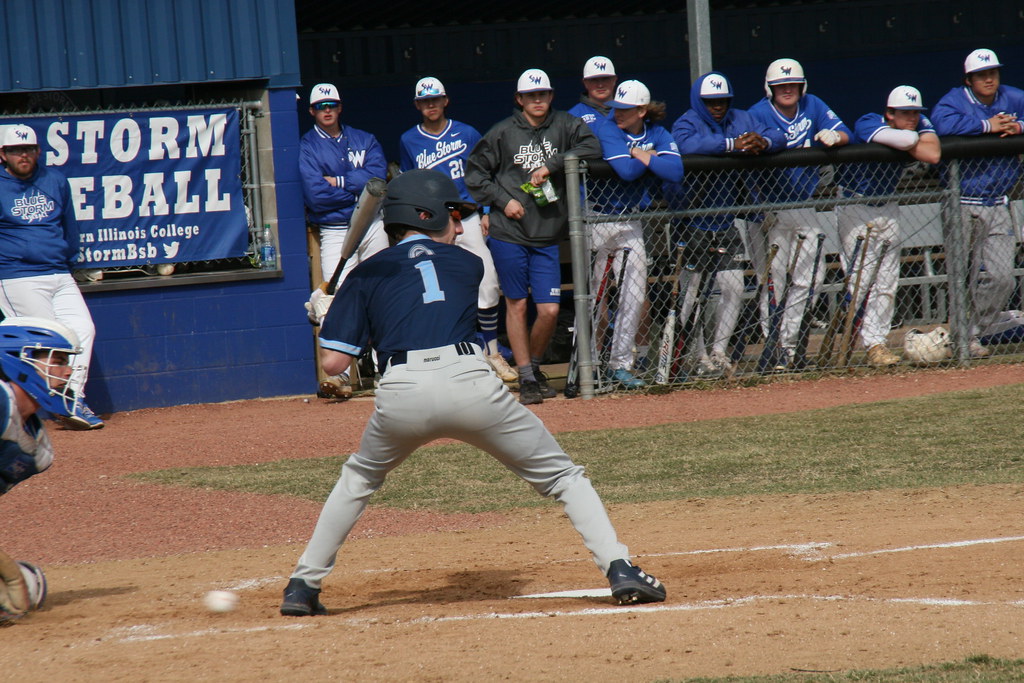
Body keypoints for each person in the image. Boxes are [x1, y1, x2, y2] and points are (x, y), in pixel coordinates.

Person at [280, 169, 666, 616]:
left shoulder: (366, 274)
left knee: (359, 480)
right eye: (452, 216)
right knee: (564, 478)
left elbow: (334, 364)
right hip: (471, 386)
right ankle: (619, 568)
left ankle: (302, 585)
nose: (460, 226)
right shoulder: (469, 263)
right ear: (424, 215)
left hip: (402, 393)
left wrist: (326, 314)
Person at [466, 68, 602, 404]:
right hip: (509, 232)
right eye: (531, 95)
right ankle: (526, 377)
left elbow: (592, 147)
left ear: (551, 96)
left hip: (547, 235)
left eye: (542, 94)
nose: (537, 100)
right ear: (520, 99)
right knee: (517, 303)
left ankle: (534, 366)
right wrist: (504, 200)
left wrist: (553, 164)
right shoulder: (502, 132)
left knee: (550, 310)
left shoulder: (566, 124)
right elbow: (475, 174)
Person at [398, 77, 516, 382]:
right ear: (417, 105)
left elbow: (483, 174)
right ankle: (447, 358)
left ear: (445, 100)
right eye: (425, 101)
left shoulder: (466, 133)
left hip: (467, 216)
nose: (431, 105)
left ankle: (492, 353)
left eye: (435, 99)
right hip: (432, 222)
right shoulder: (409, 139)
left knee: (488, 281)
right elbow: (409, 184)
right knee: (436, 289)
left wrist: (488, 210)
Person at [671, 71, 785, 375]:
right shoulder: (687, 120)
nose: (717, 107)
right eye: (710, 102)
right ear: (700, 101)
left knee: (734, 287)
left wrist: (762, 141)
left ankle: (719, 351)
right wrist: (733, 145)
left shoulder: (741, 117)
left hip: (724, 221)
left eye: (722, 101)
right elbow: (687, 145)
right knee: (692, 295)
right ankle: (696, 355)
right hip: (692, 221)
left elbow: (779, 135)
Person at [747, 58, 852, 369]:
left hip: (803, 205)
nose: (787, 89)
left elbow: (845, 131)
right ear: (770, 88)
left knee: (812, 276)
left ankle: (788, 344)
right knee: (774, 281)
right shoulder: (757, 113)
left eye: (792, 84)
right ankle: (775, 346)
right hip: (769, 209)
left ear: (802, 85)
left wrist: (835, 138)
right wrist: (758, 209)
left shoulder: (813, 104)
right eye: (781, 85)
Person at [0, 125, 102, 430]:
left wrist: (69, 259)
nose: (24, 155)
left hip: (59, 272)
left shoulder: (54, 179)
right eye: (16, 150)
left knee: (82, 331)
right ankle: (39, 406)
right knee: (44, 344)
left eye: (29, 148)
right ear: (2, 154)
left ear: (38, 151)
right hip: (17, 276)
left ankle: (71, 400)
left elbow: (69, 227)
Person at [837, 86, 941, 367]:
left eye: (916, 113)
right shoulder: (868, 121)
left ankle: (876, 344)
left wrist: (913, 136)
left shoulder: (916, 126)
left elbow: (932, 155)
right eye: (905, 113)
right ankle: (847, 341)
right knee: (860, 281)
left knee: (886, 283)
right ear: (889, 113)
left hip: (888, 206)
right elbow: (908, 139)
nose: (912, 119)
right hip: (855, 205)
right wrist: (912, 138)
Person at [0, 317, 95, 621]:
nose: (67, 371)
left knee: (30, 585)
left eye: (67, 362)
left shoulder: (35, 450)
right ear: (17, 359)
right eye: (57, 360)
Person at [930, 48, 1024, 358]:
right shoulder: (954, 100)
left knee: (1002, 278)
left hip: (999, 202)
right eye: (981, 75)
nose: (989, 79)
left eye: (993, 73)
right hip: (962, 202)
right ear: (968, 80)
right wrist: (988, 126)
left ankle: (970, 330)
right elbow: (941, 125)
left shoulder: (1011, 97)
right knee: (963, 275)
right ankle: (964, 339)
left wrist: (1020, 127)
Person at [299, 83, 389, 398]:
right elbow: (316, 196)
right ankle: (340, 376)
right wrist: (356, 190)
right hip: (335, 229)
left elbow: (378, 181)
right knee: (332, 304)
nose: (327, 110)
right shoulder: (308, 146)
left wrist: (337, 181)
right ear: (312, 111)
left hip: (373, 226)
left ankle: (386, 371)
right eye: (321, 106)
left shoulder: (365, 139)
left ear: (340, 107)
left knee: (382, 295)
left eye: (332, 105)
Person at [592, 80, 683, 387]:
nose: (618, 113)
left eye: (626, 109)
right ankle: (589, 361)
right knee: (595, 295)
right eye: (617, 107)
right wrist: (649, 157)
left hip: (631, 220)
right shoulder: (608, 129)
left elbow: (676, 172)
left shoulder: (657, 133)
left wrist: (639, 153)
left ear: (642, 110)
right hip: (598, 217)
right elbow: (627, 172)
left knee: (633, 294)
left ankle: (620, 364)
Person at [568, 56, 618, 131]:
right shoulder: (573, 116)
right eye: (594, 80)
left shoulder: (628, 111)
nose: (600, 85)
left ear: (614, 80)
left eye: (605, 79)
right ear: (585, 83)